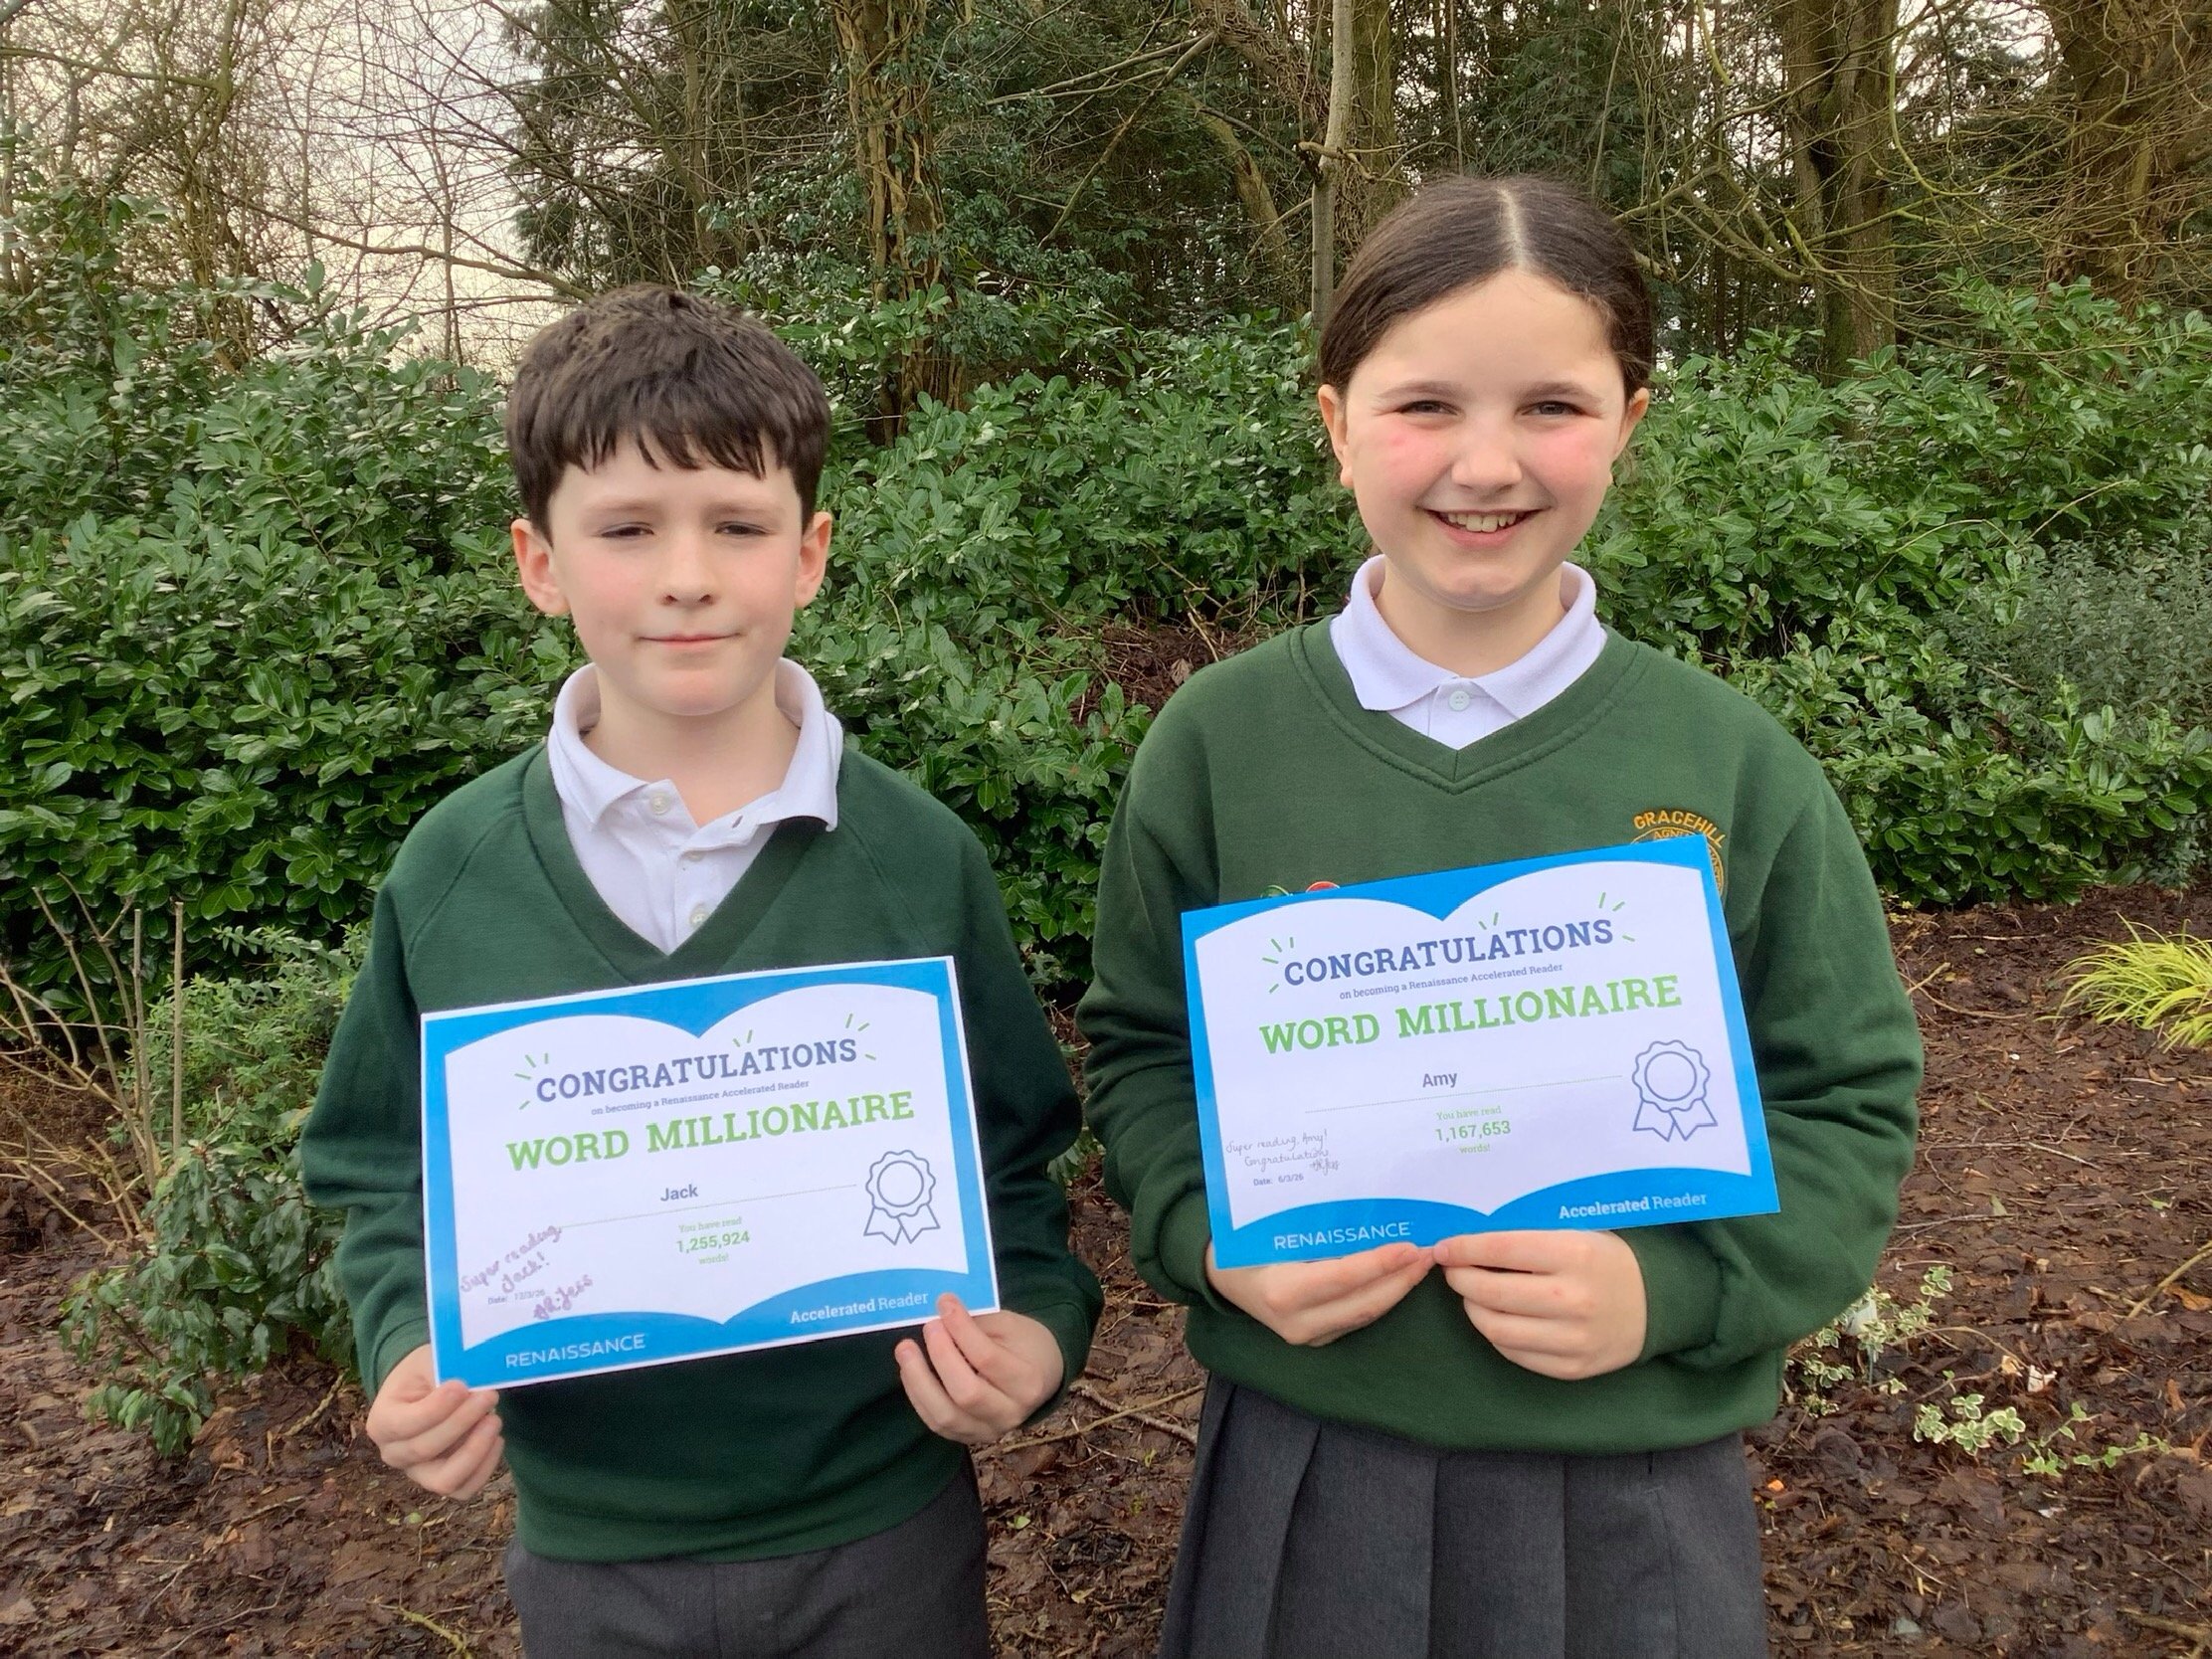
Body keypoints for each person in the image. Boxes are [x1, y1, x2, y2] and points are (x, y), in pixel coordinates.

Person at [1077, 175, 1921, 1658]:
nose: (1486, 464)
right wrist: (1209, 1237)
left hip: (1632, 1480)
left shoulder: (1732, 764)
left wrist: (1677, 1287)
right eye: (1424, 407)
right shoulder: (1220, 743)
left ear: (1629, 421)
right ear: (1336, 422)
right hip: (1307, 1460)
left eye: (1551, 406)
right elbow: (1144, 1049)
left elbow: (1847, 1098)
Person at [300, 284, 1100, 1658]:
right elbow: (377, 1165)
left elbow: (1015, 1153)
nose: (687, 575)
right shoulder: (453, 871)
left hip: (886, 1526)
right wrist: (406, 1341)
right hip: (591, 1546)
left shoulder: (916, 858)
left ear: (811, 553)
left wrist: (1034, 1328)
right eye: (626, 529)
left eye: (737, 523)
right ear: (539, 561)